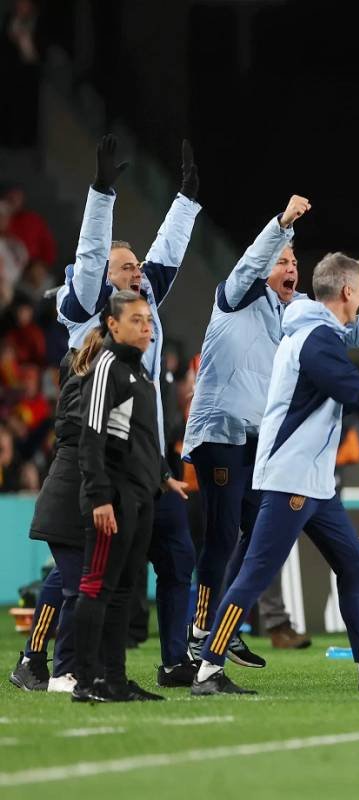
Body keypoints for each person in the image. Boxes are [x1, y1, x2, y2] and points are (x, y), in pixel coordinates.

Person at [191, 253, 359, 696]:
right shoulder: (316, 340)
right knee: (254, 573)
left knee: (353, 562)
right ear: (347, 292)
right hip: (292, 476)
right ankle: (207, 669)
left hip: (312, 479)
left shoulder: (318, 330)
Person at [185, 195, 359, 674]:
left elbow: (348, 326)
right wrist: (280, 224)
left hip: (259, 441)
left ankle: (220, 635)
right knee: (223, 537)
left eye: (295, 260)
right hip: (220, 429)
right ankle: (200, 637)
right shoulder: (235, 295)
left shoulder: (292, 314)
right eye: (282, 260)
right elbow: (252, 262)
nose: (290, 267)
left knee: (255, 541)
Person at [55, 135, 199, 684]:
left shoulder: (144, 309)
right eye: (127, 267)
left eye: (137, 266)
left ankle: (168, 663)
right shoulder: (85, 309)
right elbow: (90, 258)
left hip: (148, 468)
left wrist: (185, 201)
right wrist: (101, 194)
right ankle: (68, 668)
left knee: (169, 563)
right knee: (85, 577)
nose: (138, 271)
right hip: (101, 470)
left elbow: (166, 256)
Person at [72, 292, 188, 702]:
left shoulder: (138, 372)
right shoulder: (107, 366)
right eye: (136, 320)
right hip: (114, 499)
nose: (145, 327)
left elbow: (138, 435)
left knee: (124, 591)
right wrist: (101, 498)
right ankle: (85, 681)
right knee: (97, 587)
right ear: (112, 324)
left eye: (148, 321)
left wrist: (162, 475)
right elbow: (91, 438)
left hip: (140, 497)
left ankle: (114, 680)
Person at [9, 351, 86, 693]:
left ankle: (35, 660)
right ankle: (59, 666)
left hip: (79, 498)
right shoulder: (82, 370)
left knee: (65, 578)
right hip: (67, 501)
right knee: (77, 585)